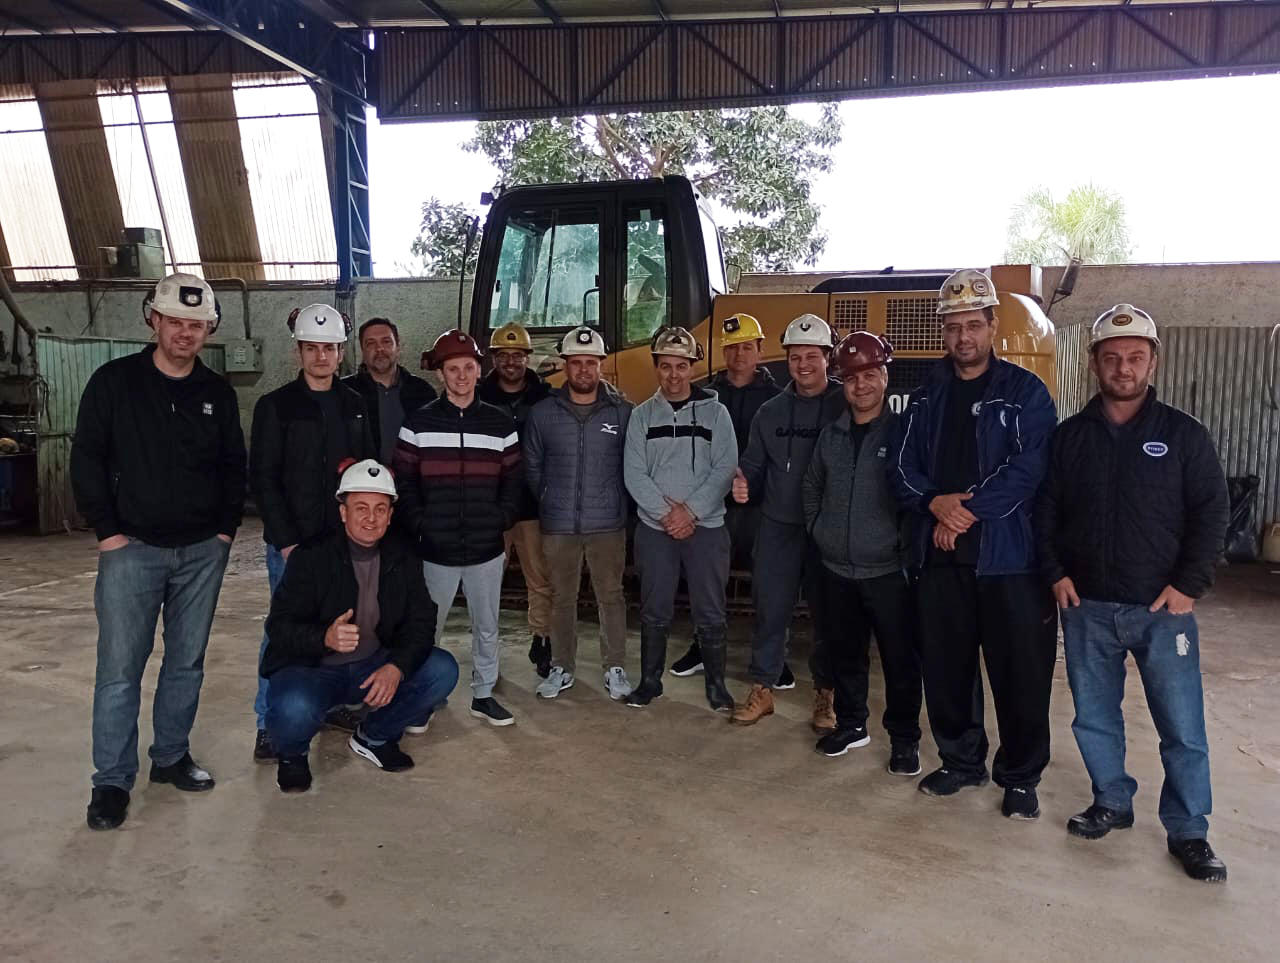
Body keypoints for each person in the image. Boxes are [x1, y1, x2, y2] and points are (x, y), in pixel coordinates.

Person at [1037, 304, 1230, 881]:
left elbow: (1212, 513)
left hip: (1162, 609)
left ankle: (1190, 830)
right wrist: (1055, 572)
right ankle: (1112, 802)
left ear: (1153, 362)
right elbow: (1044, 512)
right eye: (1113, 357)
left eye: (1135, 357)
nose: (1124, 367)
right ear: (1095, 362)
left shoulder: (1183, 435)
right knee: (1094, 718)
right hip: (1087, 606)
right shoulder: (1070, 437)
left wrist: (1189, 586)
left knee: (1182, 726)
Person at [71, 272, 245, 831]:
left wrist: (222, 534)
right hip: (132, 550)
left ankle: (170, 757)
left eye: (196, 325)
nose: (185, 334)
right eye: (175, 322)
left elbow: (232, 469)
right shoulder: (114, 383)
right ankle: (112, 782)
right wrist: (108, 534)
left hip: (201, 553)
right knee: (120, 670)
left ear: (208, 329)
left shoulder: (216, 393)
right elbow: (88, 460)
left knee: (186, 663)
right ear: (154, 320)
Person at [891, 268, 1058, 820]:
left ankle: (1020, 776)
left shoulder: (1025, 392)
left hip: (1009, 559)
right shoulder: (925, 397)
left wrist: (962, 511)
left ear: (992, 326)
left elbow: (1029, 468)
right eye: (954, 327)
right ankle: (962, 762)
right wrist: (935, 503)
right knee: (947, 668)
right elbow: (902, 468)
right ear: (943, 331)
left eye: (973, 326)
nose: (964, 337)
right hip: (939, 558)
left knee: (1019, 673)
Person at [261, 459, 459, 793]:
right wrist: (323, 637)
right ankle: (292, 755)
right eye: (361, 508)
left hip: (373, 665)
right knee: (293, 708)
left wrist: (396, 667)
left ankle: (374, 736)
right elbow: (278, 627)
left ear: (390, 515)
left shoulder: (403, 556)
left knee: (442, 670)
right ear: (343, 512)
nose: (371, 518)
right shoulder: (311, 557)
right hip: (314, 670)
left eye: (380, 509)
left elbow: (422, 620)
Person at [249, 305, 374, 762]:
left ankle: (334, 703)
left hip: (343, 545)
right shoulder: (276, 406)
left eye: (329, 348)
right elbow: (263, 478)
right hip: (293, 545)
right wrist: (286, 540)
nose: (321, 356)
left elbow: (366, 473)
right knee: (284, 632)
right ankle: (270, 722)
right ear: (298, 352)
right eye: (312, 348)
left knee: (344, 626)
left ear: (341, 353)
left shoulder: (356, 405)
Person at [803, 332, 923, 773]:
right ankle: (853, 724)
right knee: (846, 653)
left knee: (899, 659)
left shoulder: (902, 434)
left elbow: (916, 498)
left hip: (887, 571)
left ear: (885, 378)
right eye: (852, 378)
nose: (861, 386)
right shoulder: (831, 435)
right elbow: (812, 485)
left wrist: (899, 545)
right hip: (836, 568)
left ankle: (905, 738)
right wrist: (821, 530)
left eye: (870, 375)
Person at [394, 329, 524, 727]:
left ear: (478, 370)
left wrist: (501, 519)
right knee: (427, 628)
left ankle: (483, 695)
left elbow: (515, 481)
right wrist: (420, 522)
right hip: (435, 548)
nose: (462, 376)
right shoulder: (418, 423)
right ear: (441, 374)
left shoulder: (500, 424)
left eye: (469, 367)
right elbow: (404, 480)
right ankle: (424, 696)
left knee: (487, 626)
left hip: (486, 547)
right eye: (454, 369)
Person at [729, 313, 845, 731]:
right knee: (770, 609)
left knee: (827, 615)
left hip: (828, 529)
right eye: (795, 357)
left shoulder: (845, 403)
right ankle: (763, 690)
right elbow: (753, 464)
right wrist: (743, 482)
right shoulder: (770, 411)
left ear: (828, 358)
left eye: (812, 356)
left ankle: (826, 696)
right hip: (778, 525)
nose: (803, 365)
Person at [623, 326, 737, 711]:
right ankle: (650, 682)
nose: (674, 375)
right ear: (657, 367)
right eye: (666, 366)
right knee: (654, 606)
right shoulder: (641, 416)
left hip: (706, 528)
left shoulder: (716, 413)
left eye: (682, 366)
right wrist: (666, 515)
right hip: (656, 530)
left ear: (693, 368)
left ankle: (717, 686)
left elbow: (724, 468)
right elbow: (633, 473)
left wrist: (690, 511)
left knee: (710, 608)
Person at [524, 326, 634, 701]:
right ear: (565, 366)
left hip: (607, 523)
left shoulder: (622, 413)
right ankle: (562, 666)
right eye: (576, 363)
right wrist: (550, 498)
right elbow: (533, 466)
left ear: (600, 365)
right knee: (561, 597)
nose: (584, 370)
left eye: (591, 363)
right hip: (559, 525)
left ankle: (614, 666)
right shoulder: (543, 414)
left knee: (611, 596)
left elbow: (630, 465)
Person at [669, 313, 782, 680]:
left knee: (767, 584)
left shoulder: (777, 398)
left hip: (759, 507)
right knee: (708, 582)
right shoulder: (704, 395)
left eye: (746, 347)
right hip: (711, 507)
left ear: (760, 350)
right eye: (731, 348)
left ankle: (770, 662)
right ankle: (704, 646)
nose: (738, 355)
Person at [478, 322, 554, 678]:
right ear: (494, 359)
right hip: (490, 508)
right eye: (503, 356)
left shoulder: (546, 399)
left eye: (517, 356)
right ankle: (486, 650)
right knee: (486, 583)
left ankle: (542, 640)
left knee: (539, 579)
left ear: (528, 358)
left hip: (532, 507)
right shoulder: (478, 398)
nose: (510, 362)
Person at [343, 317, 437, 465]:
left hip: (412, 484)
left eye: (386, 342)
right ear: (362, 350)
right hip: (362, 485)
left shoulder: (422, 392)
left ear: (398, 346)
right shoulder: (345, 391)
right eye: (371, 343)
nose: (379, 349)